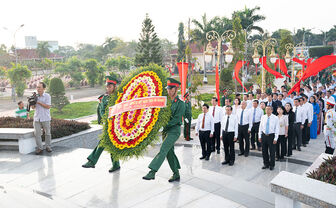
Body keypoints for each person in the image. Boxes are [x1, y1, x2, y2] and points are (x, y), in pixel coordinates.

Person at [143, 78, 185, 182]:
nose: (169, 91)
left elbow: (176, 119)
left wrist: (164, 125)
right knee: (169, 152)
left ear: (176, 89)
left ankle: (152, 172)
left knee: (163, 149)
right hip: (166, 131)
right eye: (168, 89)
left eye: (171, 89)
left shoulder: (180, 104)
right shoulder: (165, 102)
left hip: (174, 130)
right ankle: (176, 173)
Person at [82, 76, 121, 172]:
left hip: (117, 125)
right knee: (111, 144)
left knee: (103, 142)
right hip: (108, 124)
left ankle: (92, 161)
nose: (108, 88)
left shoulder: (119, 97)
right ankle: (116, 164)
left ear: (114, 87)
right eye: (107, 87)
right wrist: (106, 118)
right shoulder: (104, 98)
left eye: (110, 86)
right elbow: (102, 110)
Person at [32, 82, 52, 155]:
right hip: (37, 118)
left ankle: (48, 146)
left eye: (39, 87)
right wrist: (32, 103)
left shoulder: (47, 96)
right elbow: (33, 108)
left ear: (44, 88)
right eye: (37, 87)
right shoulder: (35, 97)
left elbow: (48, 106)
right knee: (37, 133)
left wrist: (38, 102)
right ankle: (40, 148)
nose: (38, 89)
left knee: (47, 133)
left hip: (45, 118)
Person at [259, 105, 279, 171]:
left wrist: (276, 138)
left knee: (272, 152)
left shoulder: (275, 118)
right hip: (264, 135)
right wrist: (259, 136)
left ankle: (272, 165)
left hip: (271, 136)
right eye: (266, 109)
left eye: (269, 109)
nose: (267, 110)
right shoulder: (263, 117)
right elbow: (260, 127)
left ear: (272, 110)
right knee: (264, 151)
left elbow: (277, 129)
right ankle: (266, 164)